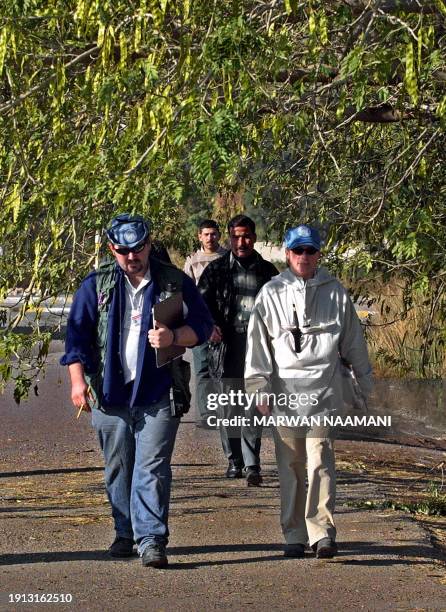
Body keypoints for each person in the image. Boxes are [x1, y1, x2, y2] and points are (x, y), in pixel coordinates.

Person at [61, 213, 213, 568]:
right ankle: (124, 531)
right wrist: (77, 382)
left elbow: (203, 326)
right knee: (118, 467)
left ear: (148, 244)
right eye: (124, 250)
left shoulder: (172, 281)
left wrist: (175, 337)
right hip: (108, 394)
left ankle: (151, 539)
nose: (133, 256)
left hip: (159, 393)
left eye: (139, 248)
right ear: (113, 249)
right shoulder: (95, 284)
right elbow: (76, 336)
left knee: (153, 467)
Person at [244, 224, 372, 558]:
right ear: (287, 254)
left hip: (324, 394)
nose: (304, 257)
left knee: (320, 460)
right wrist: (258, 388)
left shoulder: (336, 292)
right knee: (290, 465)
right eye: (298, 251)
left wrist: (365, 387)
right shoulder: (271, 293)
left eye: (310, 251)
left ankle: (322, 533)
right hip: (285, 394)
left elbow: (354, 343)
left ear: (318, 254)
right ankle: (294, 535)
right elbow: (258, 346)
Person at [198, 214, 278, 485]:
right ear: (228, 238)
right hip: (227, 346)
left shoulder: (268, 272)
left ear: (254, 238)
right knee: (229, 406)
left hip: (258, 347)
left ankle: (252, 463)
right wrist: (210, 327)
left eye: (246, 236)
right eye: (235, 237)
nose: (241, 242)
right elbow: (199, 305)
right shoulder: (216, 270)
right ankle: (235, 460)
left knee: (255, 404)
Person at [183, 220, 227, 427]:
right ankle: (207, 414)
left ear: (219, 235)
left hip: (226, 322)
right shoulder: (192, 261)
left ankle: (227, 412)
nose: (210, 238)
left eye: (214, 234)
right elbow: (185, 293)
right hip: (201, 324)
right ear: (199, 236)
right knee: (202, 368)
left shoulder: (228, 257)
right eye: (206, 234)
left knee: (226, 369)